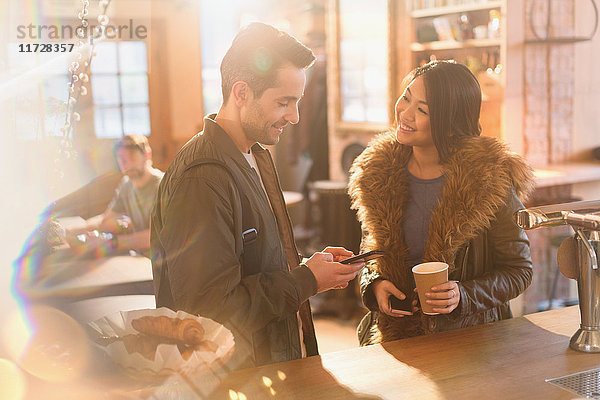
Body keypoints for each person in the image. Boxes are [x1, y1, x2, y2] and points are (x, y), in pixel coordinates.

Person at [151, 22, 363, 370]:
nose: (294, 117)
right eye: (284, 102)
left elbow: (255, 260)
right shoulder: (202, 178)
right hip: (234, 379)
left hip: (270, 364)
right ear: (242, 93)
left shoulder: (255, 153)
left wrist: (311, 267)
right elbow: (211, 311)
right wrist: (306, 280)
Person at [348, 60, 534, 345]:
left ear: (450, 126)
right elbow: (371, 254)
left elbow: (518, 271)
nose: (405, 113)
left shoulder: (488, 181)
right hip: (396, 340)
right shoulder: (378, 176)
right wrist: (374, 285)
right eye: (406, 98)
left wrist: (463, 295)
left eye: (422, 110)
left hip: (471, 341)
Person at [66, 134, 163, 255]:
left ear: (147, 155)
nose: (126, 164)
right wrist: (71, 231)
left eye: (132, 156)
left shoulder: (161, 186)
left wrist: (110, 242)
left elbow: (152, 238)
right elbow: (106, 219)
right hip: (141, 257)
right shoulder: (127, 185)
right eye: (121, 158)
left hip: (163, 264)